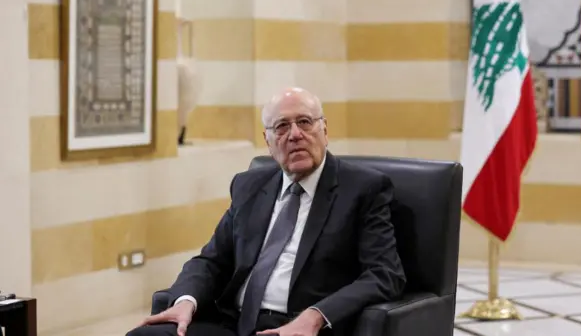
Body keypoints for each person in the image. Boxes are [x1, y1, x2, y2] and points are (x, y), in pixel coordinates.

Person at [127, 87, 406, 336]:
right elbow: (211, 260)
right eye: (282, 127)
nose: (295, 134)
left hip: (297, 326)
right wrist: (185, 301)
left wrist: (316, 316)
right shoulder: (248, 186)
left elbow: (385, 274)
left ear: (324, 131)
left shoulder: (363, 189)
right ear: (269, 142)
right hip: (233, 322)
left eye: (305, 122)